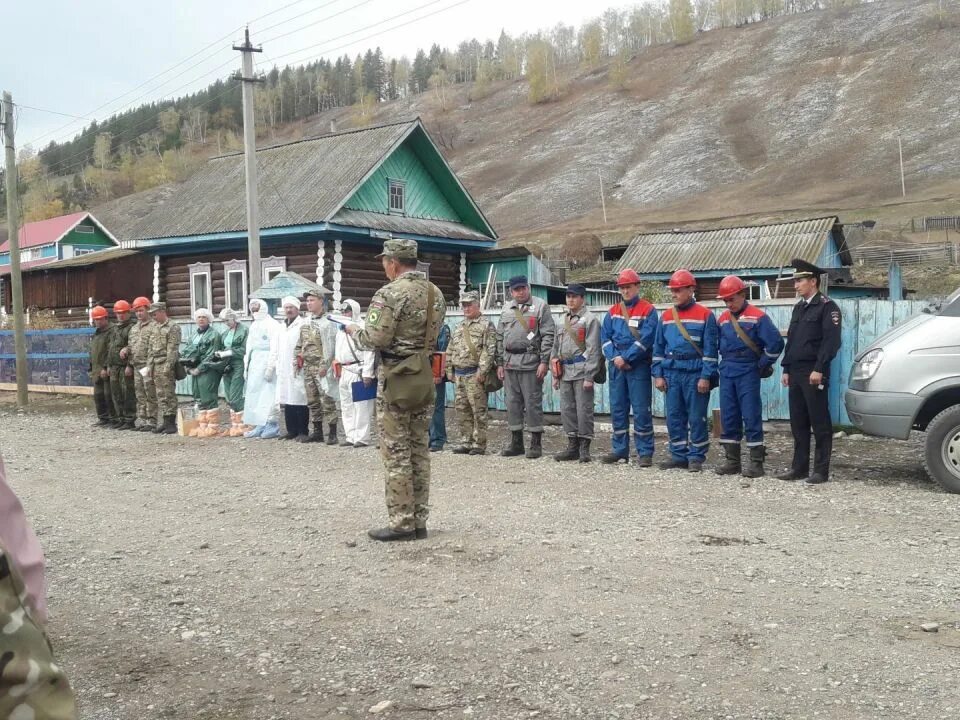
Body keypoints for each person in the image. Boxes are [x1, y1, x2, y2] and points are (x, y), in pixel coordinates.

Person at [346, 238, 446, 542]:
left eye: (384, 261)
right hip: (423, 374)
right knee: (419, 449)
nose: (384, 266)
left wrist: (354, 331)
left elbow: (375, 338)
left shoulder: (388, 293)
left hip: (396, 377)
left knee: (396, 451)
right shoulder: (435, 293)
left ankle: (401, 523)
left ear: (393, 262)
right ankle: (419, 521)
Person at [777, 259, 842, 485]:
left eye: (800, 281)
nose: (796, 285)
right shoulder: (800, 307)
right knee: (798, 422)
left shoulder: (827, 307)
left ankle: (820, 471)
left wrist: (819, 368)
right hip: (796, 371)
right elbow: (792, 340)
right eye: (795, 281)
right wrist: (786, 368)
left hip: (814, 371)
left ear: (813, 282)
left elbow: (831, 342)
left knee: (819, 421)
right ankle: (799, 467)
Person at [715, 276, 785, 478]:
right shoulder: (722, 320)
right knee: (728, 415)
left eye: (732, 299)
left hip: (747, 370)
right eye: (725, 300)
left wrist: (761, 365)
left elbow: (775, 344)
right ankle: (732, 461)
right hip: (727, 369)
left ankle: (756, 463)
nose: (728, 303)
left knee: (750, 414)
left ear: (742, 295)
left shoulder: (758, 317)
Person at [652, 269, 719, 472]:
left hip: (695, 373)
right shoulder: (665, 317)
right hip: (672, 373)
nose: (674, 294)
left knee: (696, 417)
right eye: (672, 290)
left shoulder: (706, 315)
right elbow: (658, 349)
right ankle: (678, 455)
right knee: (674, 416)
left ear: (691, 289)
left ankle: (696, 457)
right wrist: (658, 374)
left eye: (678, 290)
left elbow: (710, 351)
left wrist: (705, 376)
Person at [600, 269, 659, 466]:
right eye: (622, 288)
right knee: (618, 408)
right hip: (616, 366)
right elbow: (605, 338)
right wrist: (616, 357)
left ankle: (645, 452)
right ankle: (620, 450)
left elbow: (647, 339)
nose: (625, 291)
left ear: (637, 286)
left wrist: (627, 357)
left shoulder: (648, 310)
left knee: (641, 409)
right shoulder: (612, 312)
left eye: (629, 287)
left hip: (638, 365)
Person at [495, 275, 556, 459]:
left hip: (530, 362)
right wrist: (499, 363)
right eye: (516, 289)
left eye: (523, 288)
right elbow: (499, 336)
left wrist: (544, 361)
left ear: (528, 288)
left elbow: (548, 335)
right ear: (511, 291)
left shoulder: (540, 306)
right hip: (509, 362)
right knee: (512, 403)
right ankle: (516, 443)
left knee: (532, 403)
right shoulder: (506, 308)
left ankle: (536, 443)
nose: (520, 292)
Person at [550, 284, 602, 463]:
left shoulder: (590, 320)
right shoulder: (561, 320)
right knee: (567, 410)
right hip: (564, 372)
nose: (570, 300)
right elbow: (555, 349)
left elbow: (594, 349)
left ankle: (584, 448)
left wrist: (590, 375)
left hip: (581, 371)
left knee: (584, 410)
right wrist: (555, 375)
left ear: (582, 298)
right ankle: (572, 446)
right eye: (568, 296)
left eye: (574, 296)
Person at [446, 291, 496, 456]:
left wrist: (483, 370)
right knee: (461, 409)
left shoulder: (486, 325)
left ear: (477, 305)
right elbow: (451, 348)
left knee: (478, 411)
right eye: (464, 305)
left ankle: (479, 444)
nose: (466, 308)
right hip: (459, 374)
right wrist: (449, 369)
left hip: (475, 374)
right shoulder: (459, 326)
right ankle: (465, 441)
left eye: (469, 305)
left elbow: (489, 350)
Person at [296, 288, 339, 444]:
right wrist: (297, 360)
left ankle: (333, 433)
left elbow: (331, 347)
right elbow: (300, 344)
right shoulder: (305, 323)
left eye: (312, 300)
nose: (309, 303)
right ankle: (317, 432)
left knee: (327, 400)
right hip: (308, 367)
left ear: (321, 301)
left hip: (322, 367)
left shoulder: (328, 322)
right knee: (312, 401)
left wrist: (324, 365)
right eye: (307, 301)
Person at [334, 299, 376, 447]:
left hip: (358, 368)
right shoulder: (341, 329)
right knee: (346, 405)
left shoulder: (362, 327)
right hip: (344, 369)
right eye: (343, 311)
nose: (345, 313)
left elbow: (369, 350)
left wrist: (367, 372)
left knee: (361, 405)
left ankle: (361, 437)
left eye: (347, 310)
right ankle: (350, 435)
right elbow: (338, 350)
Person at [182, 308, 225, 438]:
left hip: (209, 370)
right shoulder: (193, 335)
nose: (201, 319)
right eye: (199, 317)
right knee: (198, 397)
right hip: (194, 371)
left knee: (209, 397)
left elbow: (211, 355)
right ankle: (203, 426)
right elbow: (186, 352)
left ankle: (213, 427)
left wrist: (199, 368)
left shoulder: (214, 335)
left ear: (209, 319)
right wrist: (188, 368)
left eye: (204, 317)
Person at [243, 299, 282, 439]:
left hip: (267, 360)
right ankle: (259, 423)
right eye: (252, 309)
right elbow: (249, 347)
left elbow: (275, 347)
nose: (255, 312)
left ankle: (272, 424)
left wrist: (271, 367)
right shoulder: (254, 325)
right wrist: (246, 365)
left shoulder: (272, 325)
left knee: (269, 395)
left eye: (257, 308)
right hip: (255, 362)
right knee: (255, 394)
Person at [276, 296, 309, 440]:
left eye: (291, 307)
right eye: (286, 307)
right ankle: (291, 430)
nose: (289, 310)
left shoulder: (303, 324)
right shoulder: (281, 326)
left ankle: (302, 431)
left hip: (297, 365)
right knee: (287, 398)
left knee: (300, 398)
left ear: (297, 309)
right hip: (284, 366)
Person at [213, 308, 249, 436]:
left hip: (238, 363)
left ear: (233, 318)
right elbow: (221, 347)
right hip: (227, 365)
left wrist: (229, 352)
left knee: (235, 395)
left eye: (227, 320)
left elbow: (245, 349)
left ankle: (245, 422)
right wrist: (219, 354)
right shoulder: (225, 334)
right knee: (228, 396)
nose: (226, 323)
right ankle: (236, 425)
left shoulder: (244, 330)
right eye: (224, 321)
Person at [148, 302, 182, 435]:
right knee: (160, 394)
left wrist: (168, 367)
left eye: (155, 314)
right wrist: (149, 366)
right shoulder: (155, 327)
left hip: (166, 363)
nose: (153, 316)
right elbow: (151, 349)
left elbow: (172, 349)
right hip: (156, 363)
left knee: (168, 393)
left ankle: (171, 423)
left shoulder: (173, 327)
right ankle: (165, 421)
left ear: (162, 311)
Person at [127, 296, 158, 432]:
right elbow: (131, 346)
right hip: (136, 365)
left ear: (148, 310)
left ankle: (152, 420)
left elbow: (155, 347)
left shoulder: (154, 326)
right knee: (139, 394)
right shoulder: (134, 329)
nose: (139, 313)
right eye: (137, 311)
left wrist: (150, 365)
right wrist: (126, 351)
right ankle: (143, 419)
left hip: (147, 365)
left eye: (141, 310)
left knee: (149, 392)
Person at [107, 299, 137, 429]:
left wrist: (130, 365)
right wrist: (108, 365)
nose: (121, 315)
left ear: (129, 313)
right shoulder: (114, 329)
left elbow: (134, 347)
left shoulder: (131, 328)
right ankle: (120, 418)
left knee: (128, 393)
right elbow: (110, 348)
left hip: (125, 367)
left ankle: (129, 419)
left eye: (124, 312)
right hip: (114, 366)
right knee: (116, 393)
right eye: (119, 313)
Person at [89, 305, 115, 427]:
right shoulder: (97, 334)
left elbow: (111, 350)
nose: (97, 322)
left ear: (106, 318)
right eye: (95, 319)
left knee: (108, 395)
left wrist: (105, 367)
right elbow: (93, 352)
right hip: (96, 369)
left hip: (106, 369)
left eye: (100, 319)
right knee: (98, 395)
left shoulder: (111, 331)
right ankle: (103, 418)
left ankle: (112, 418)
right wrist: (91, 368)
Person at [428, 321, 451, 451]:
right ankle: (425, 438)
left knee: (436, 407)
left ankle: (437, 439)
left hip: (434, 372)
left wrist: (437, 374)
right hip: (419, 371)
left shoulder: (441, 327)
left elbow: (441, 351)